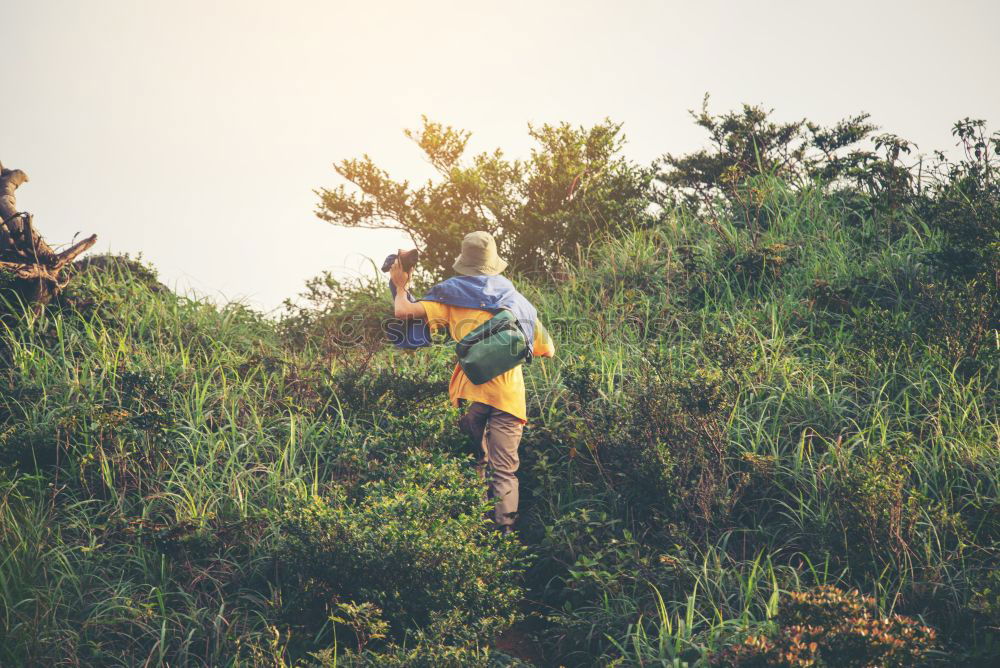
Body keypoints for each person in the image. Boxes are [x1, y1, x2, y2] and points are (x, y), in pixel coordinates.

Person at [389, 231, 555, 533]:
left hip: (470, 393)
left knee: (475, 463)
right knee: (505, 471)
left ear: (464, 261)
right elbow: (549, 350)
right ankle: (504, 539)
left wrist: (401, 286)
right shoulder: (518, 302)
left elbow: (402, 312)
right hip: (509, 396)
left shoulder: (451, 296)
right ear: (494, 263)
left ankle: (473, 537)